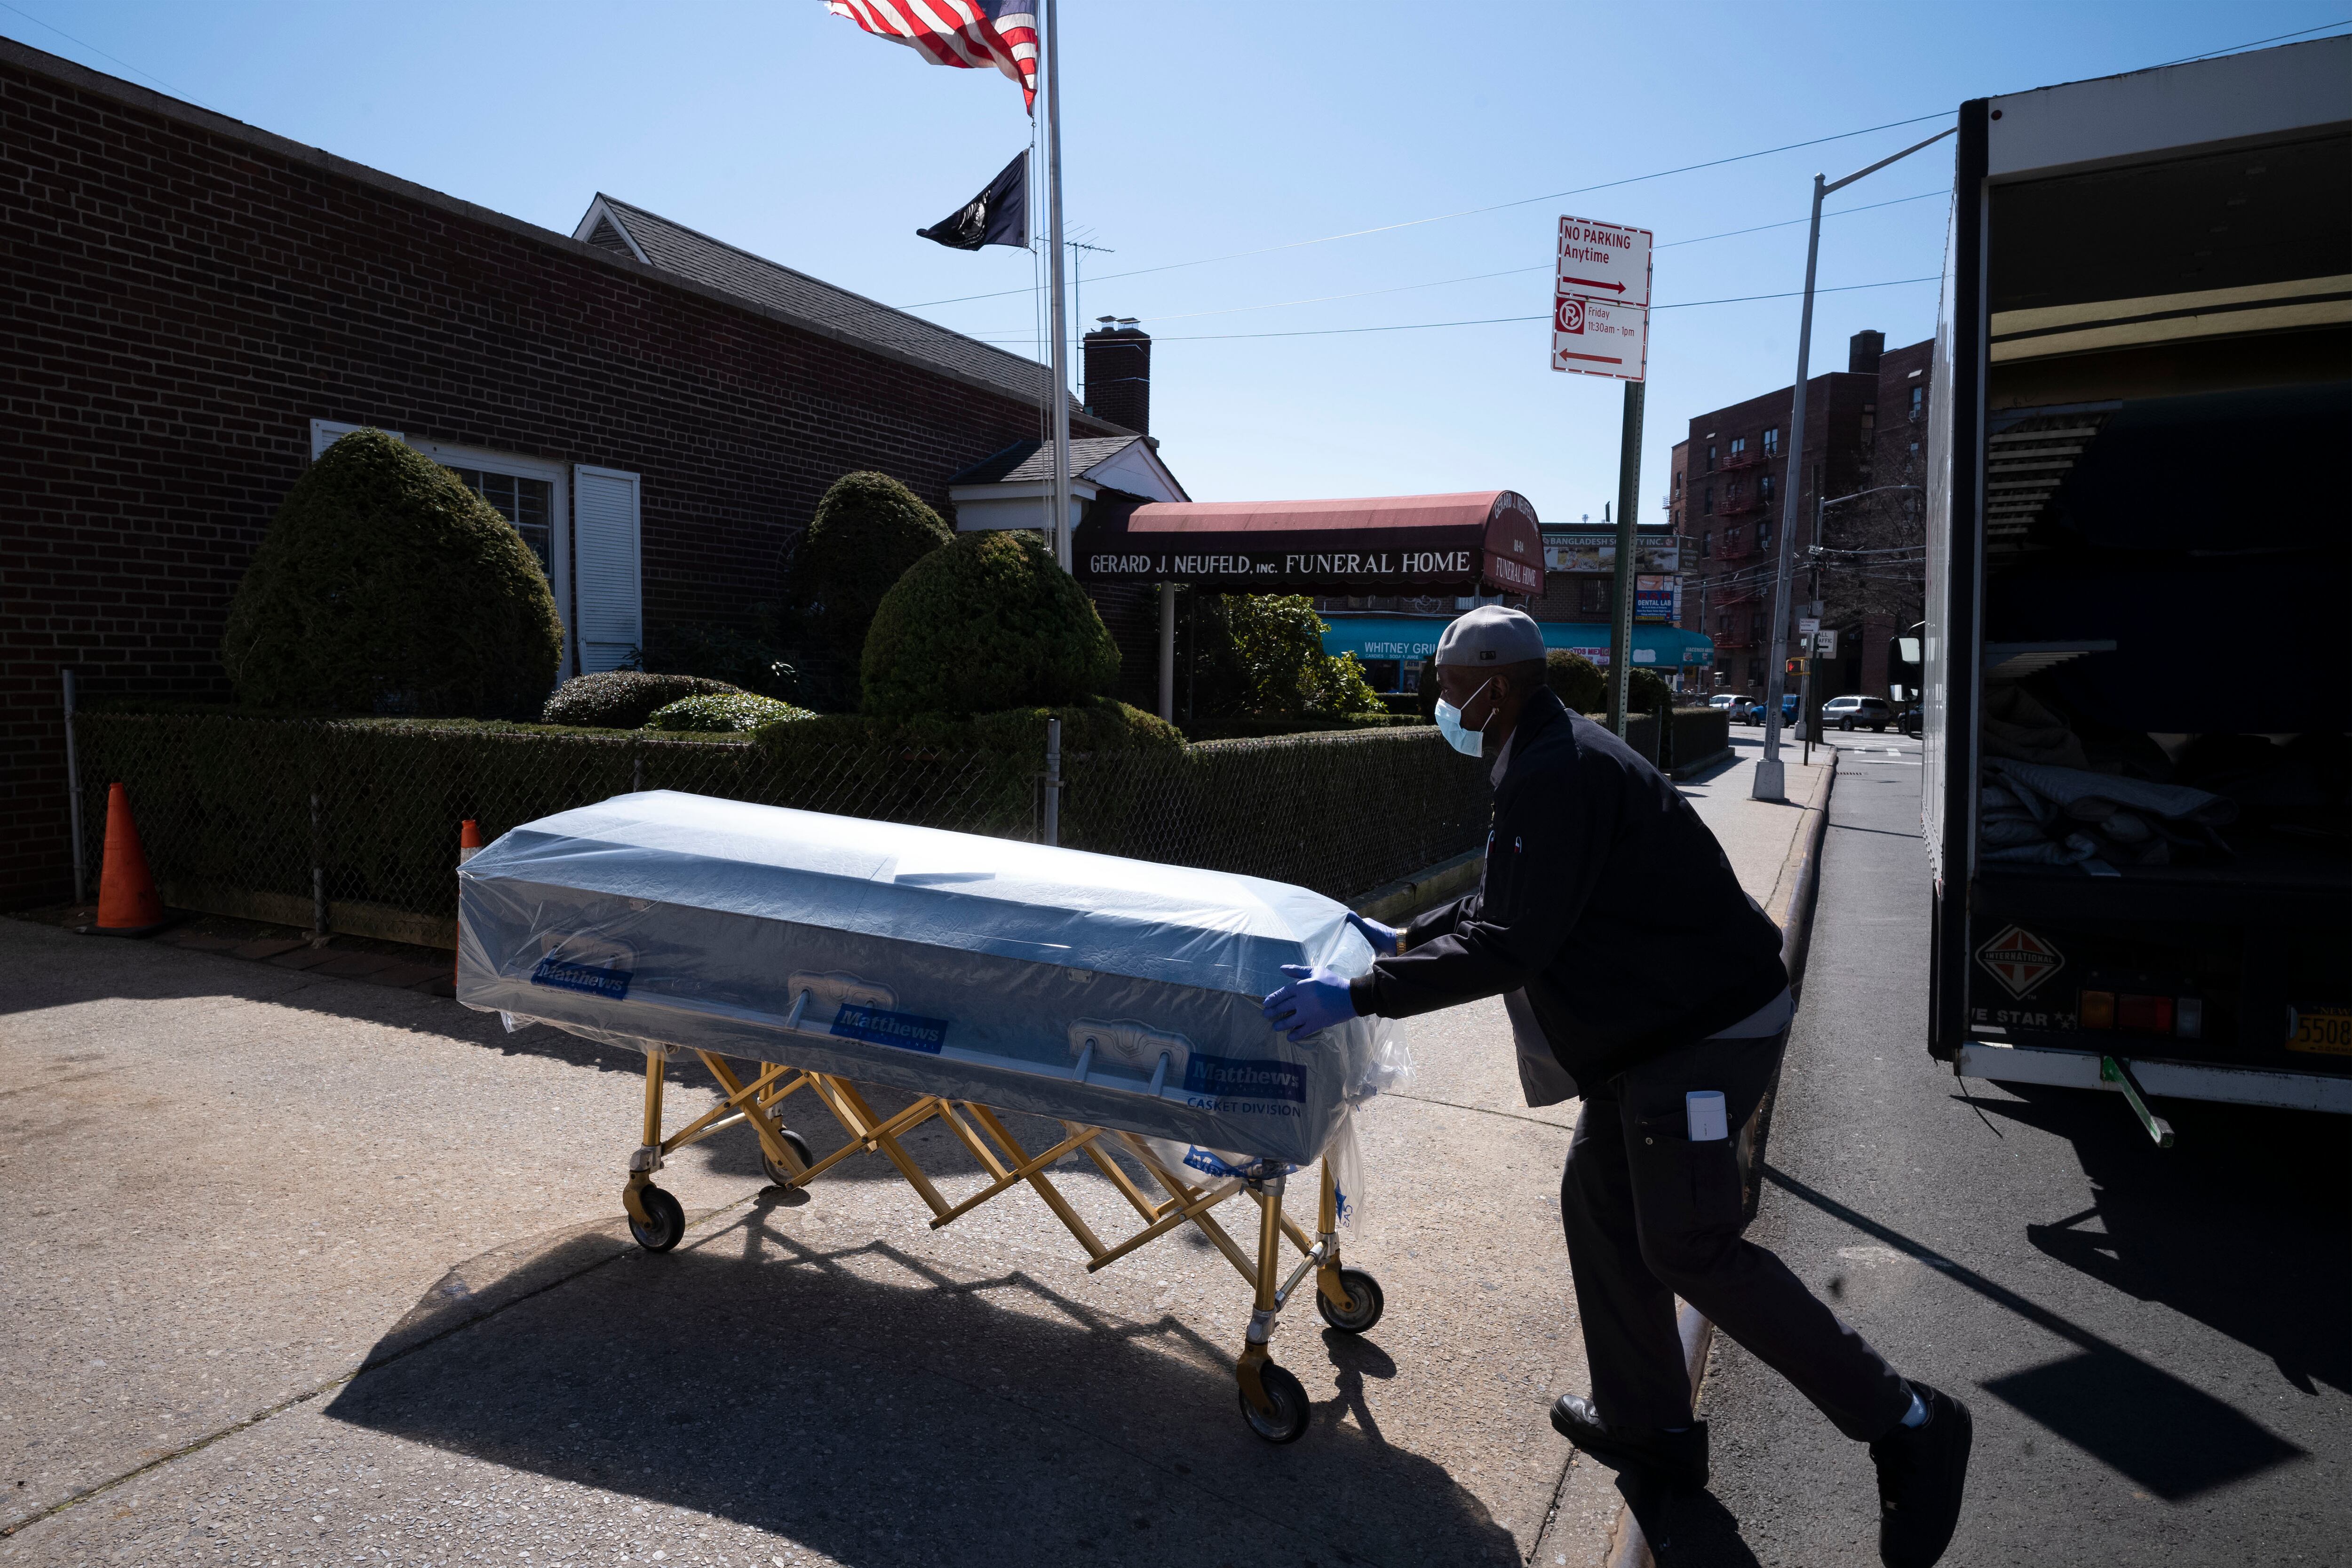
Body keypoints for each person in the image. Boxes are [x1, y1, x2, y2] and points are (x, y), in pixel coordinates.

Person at [1262, 605, 1971, 1568]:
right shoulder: (1542, 750)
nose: (1440, 702)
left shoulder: (1554, 770)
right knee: (1599, 1206)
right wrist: (1409, 937)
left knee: (1688, 1244)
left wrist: (1358, 993)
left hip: (1703, 1036)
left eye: (1447, 685)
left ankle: (1909, 1421)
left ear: (1494, 686)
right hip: (1656, 1030)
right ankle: (1650, 1428)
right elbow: (1512, 897)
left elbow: (1511, 945)